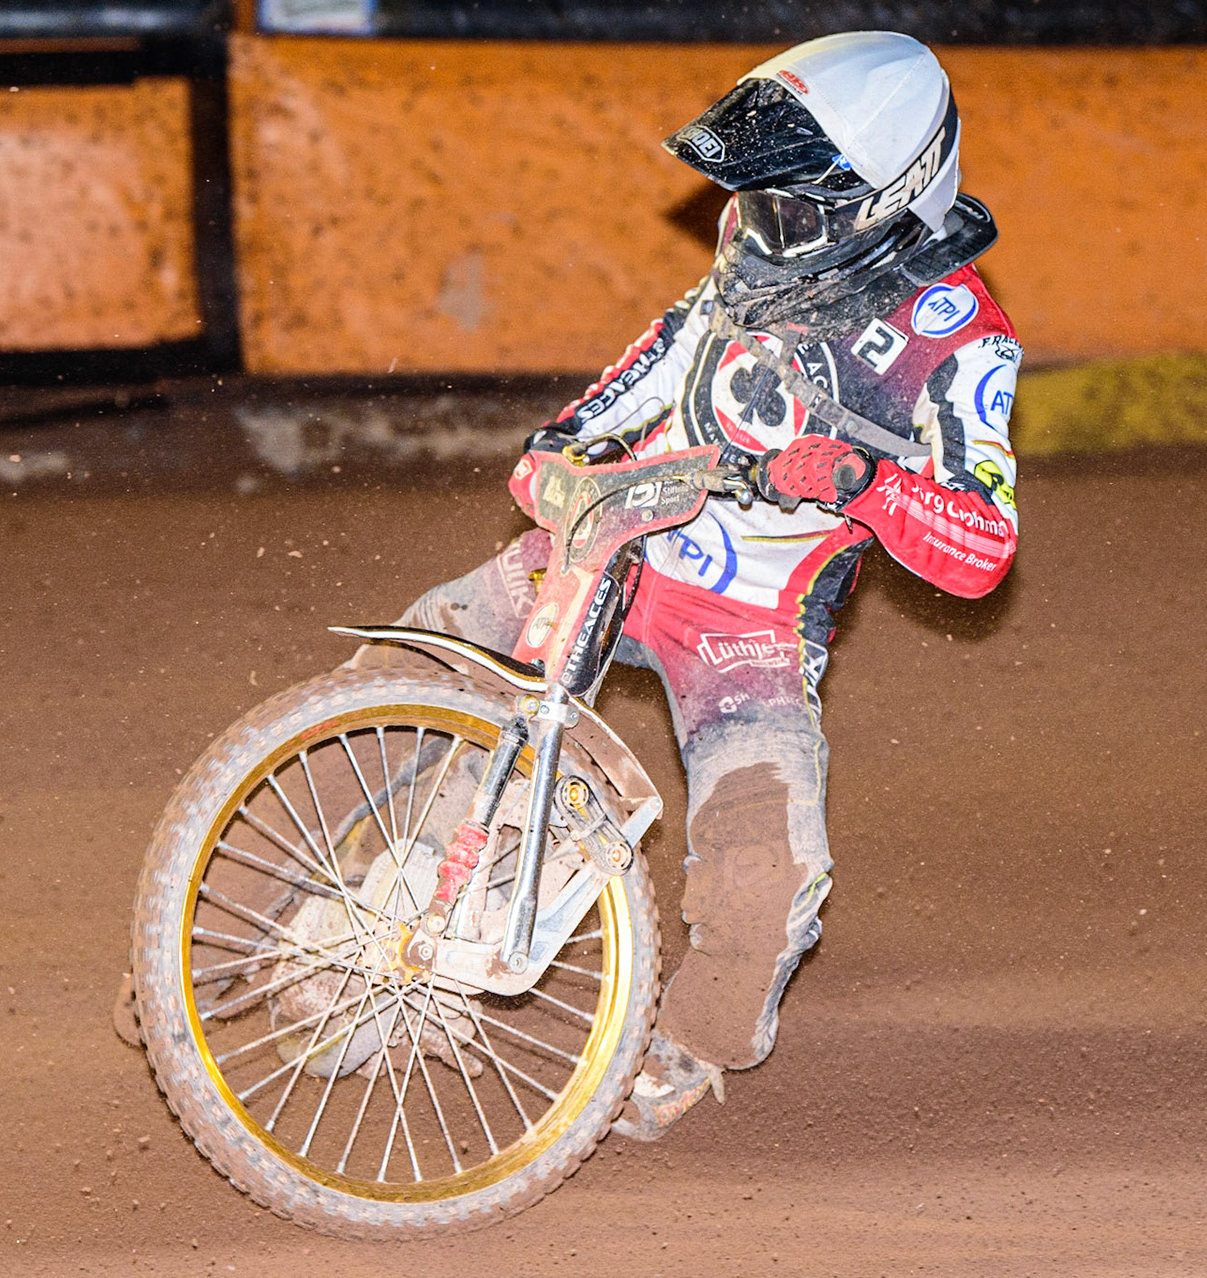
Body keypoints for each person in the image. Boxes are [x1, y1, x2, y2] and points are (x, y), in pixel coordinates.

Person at [372, 31, 1021, 1140]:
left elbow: (982, 549)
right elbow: (653, 368)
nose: (759, 229)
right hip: (621, 538)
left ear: (887, 195)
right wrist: (560, 453)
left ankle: (685, 1044)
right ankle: (221, 930)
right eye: (753, 202)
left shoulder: (956, 338)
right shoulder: (746, 253)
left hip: (749, 624)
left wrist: (865, 479)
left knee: (768, 875)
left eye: (789, 208)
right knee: (403, 667)